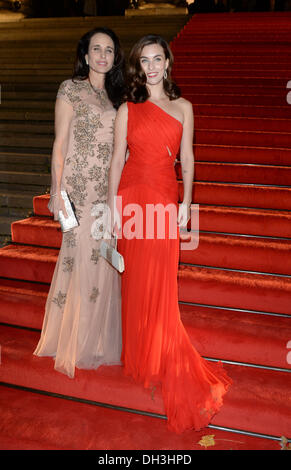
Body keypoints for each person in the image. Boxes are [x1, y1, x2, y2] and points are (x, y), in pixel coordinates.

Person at [107, 34, 232, 434]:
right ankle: (143, 353)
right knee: (137, 282)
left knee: (161, 281)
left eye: (157, 58)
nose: (152, 66)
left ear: (168, 62)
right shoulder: (128, 108)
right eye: (144, 61)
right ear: (138, 67)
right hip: (131, 197)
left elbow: (189, 159)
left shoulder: (184, 108)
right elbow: (116, 160)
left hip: (163, 198)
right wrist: (111, 208)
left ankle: (161, 354)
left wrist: (185, 204)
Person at [34, 27, 125, 378]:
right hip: (76, 191)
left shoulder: (117, 98)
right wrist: (56, 192)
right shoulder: (69, 89)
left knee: (101, 260)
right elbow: (60, 143)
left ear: (114, 57)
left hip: (106, 192)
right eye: (96, 49)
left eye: (109, 50)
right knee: (79, 259)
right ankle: (74, 339)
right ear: (86, 56)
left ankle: (97, 340)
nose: (103, 55)